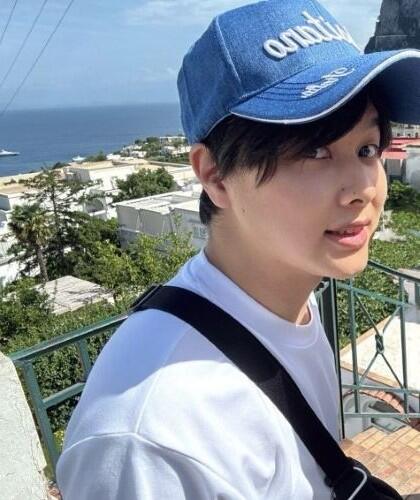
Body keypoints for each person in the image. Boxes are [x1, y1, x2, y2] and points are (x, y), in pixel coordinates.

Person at [56, 0, 420, 498]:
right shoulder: (154, 439)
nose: (362, 188)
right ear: (216, 175)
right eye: (314, 150)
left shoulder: (288, 298)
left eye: (367, 149)